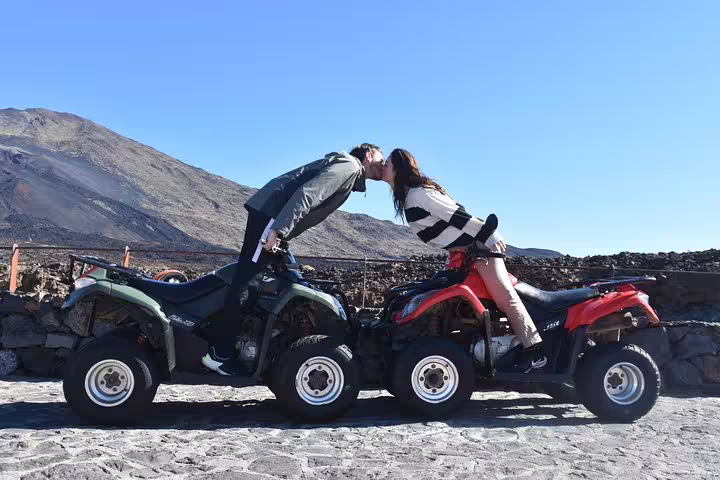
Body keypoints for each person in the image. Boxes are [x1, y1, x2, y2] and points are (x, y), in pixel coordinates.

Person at [202, 144, 385, 375]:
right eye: (381, 157)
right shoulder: (350, 166)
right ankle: (220, 353)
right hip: (272, 217)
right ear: (368, 155)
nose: (383, 163)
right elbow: (309, 193)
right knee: (245, 280)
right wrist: (278, 229)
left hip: (273, 217)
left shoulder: (349, 170)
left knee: (263, 276)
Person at [380, 148, 547, 373]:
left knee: (504, 298)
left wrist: (488, 235)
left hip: (479, 249)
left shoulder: (419, 194)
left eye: (388, 163)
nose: (384, 166)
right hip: (464, 254)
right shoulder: (409, 196)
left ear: (399, 169)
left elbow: (455, 215)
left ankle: (535, 351)